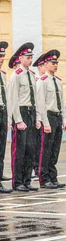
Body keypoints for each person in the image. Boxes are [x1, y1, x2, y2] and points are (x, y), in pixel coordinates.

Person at [7, 43, 38, 192]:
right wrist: (18, 119)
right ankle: (17, 181)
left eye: (31, 57)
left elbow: (36, 98)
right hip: (22, 112)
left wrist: (37, 118)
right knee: (19, 149)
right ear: (21, 58)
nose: (30, 60)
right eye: (27, 57)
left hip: (31, 112)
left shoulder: (32, 74)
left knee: (30, 149)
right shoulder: (17, 75)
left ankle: (27, 180)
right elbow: (13, 99)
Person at [35, 50, 66, 189]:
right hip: (48, 116)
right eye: (52, 63)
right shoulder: (42, 81)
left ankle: (53, 177)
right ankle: (44, 178)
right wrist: (45, 122)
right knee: (46, 149)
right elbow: (41, 104)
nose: (55, 65)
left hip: (57, 116)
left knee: (55, 149)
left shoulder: (58, 81)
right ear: (46, 64)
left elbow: (61, 101)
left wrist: (64, 120)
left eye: (56, 63)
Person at [0, 41, 11, 193]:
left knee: (1, 149)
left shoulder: (3, 74)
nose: (1, 58)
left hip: (2, 112)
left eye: (3, 56)